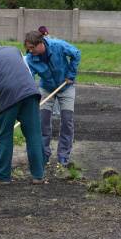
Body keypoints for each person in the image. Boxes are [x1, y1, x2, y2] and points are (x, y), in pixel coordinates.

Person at [0, 38, 47, 184]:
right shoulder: (13, 50)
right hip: (30, 93)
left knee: (3, 136)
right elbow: (28, 72)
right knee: (34, 135)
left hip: (6, 99)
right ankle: (39, 175)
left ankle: (2, 176)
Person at [23, 30, 81, 167]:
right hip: (46, 88)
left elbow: (76, 54)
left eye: (32, 48)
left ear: (40, 44)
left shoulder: (58, 46)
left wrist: (71, 74)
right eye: (28, 48)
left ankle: (63, 157)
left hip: (66, 86)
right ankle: (44, 156)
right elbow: (30, 78)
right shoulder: (31, 58)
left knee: (67, 121)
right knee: (43, 122)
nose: (30, 51)